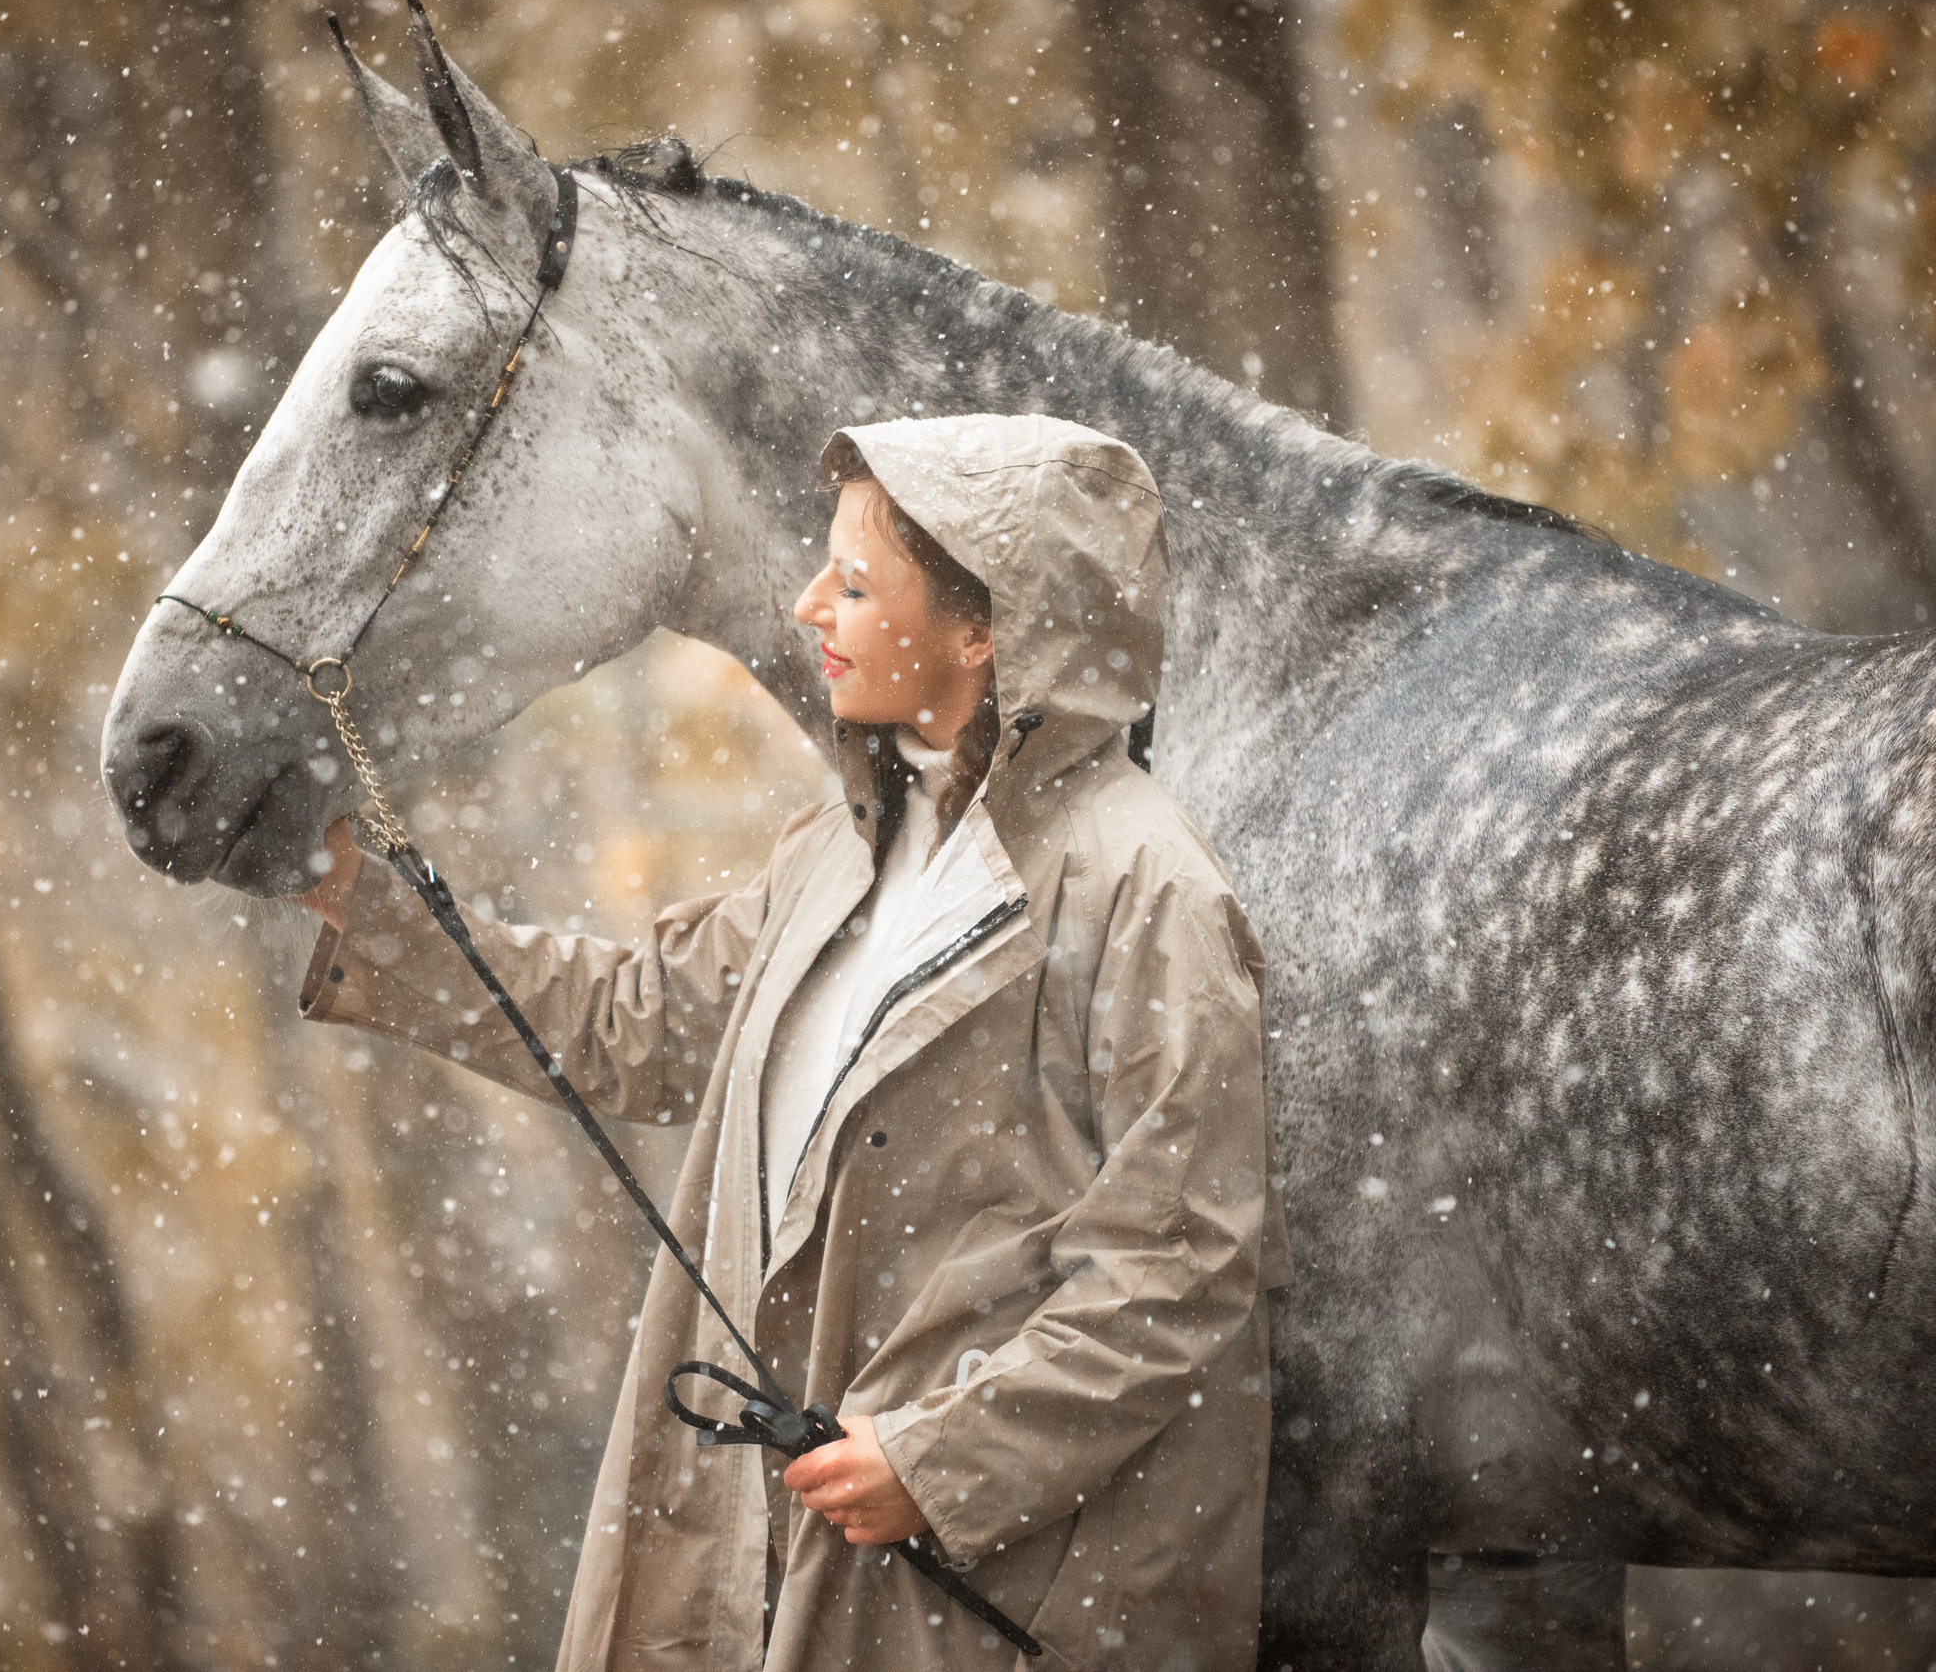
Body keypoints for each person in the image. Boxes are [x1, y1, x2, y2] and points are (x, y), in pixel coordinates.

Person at [292, 413, 1287, 1671]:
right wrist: (369, 911)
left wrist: (938, 1459)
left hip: (999, 1592)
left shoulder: (1147, 886)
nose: (809, 602)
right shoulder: (839, 848)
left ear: (984, 631)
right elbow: (640, 1024)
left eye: (855, 584)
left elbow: (1181, 1261)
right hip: (780, 1546)